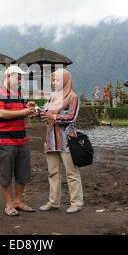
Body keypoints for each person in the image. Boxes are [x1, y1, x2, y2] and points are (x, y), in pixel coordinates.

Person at [0, 65, 37, 217]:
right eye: (18, 77)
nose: (20, 80)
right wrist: (23, 111)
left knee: (23, 172)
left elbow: (20, 110)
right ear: (8, 77)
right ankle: (9, 204)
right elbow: (1, 113)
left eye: (21, 77)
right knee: (6, 173)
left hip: (21, 139)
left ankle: (18, 201)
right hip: (5, 141)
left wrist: (28, 108)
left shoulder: (18, 94)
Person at [38, 68, 84, 214]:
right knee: (53, 172)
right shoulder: (52, 97)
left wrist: (54, 117)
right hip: (51, 139)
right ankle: (53, 202)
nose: (54, 82)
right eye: (53, 80)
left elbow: (72, 117)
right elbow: (45, 112)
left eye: (57, 80)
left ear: (65, 80)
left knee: (71, 172)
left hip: (66, 140)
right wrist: (36, 110)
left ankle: (76, 203)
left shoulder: (73, 97)